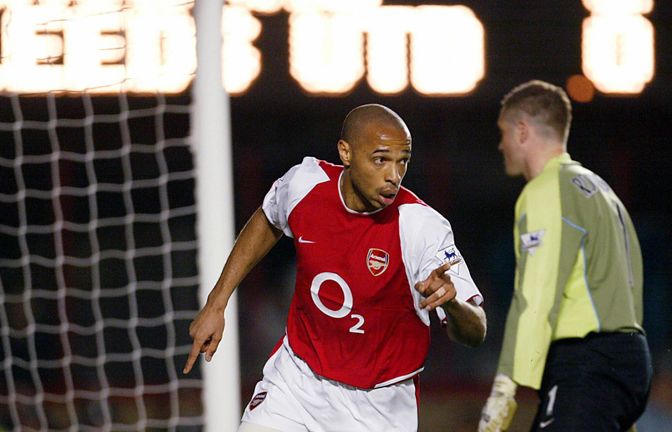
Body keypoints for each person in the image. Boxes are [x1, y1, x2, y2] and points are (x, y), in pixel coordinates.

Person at [183, 104, 486, 431]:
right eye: (381, 159)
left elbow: (475, 331)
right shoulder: (305, 184)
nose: (393, 176)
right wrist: (217, 303)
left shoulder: (420, 227)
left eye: (403, 162)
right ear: (346, 152)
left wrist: (452, 303)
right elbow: (267, 219)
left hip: (378, 406)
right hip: (298, 382)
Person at [478, 80, 652, 432]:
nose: (501, 144)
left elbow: (536, 292)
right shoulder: (602, 191)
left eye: (503, 132)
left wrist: (505, 385)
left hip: (588, 364)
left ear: (522, 130)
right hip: (629, 361)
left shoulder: (545, 190)